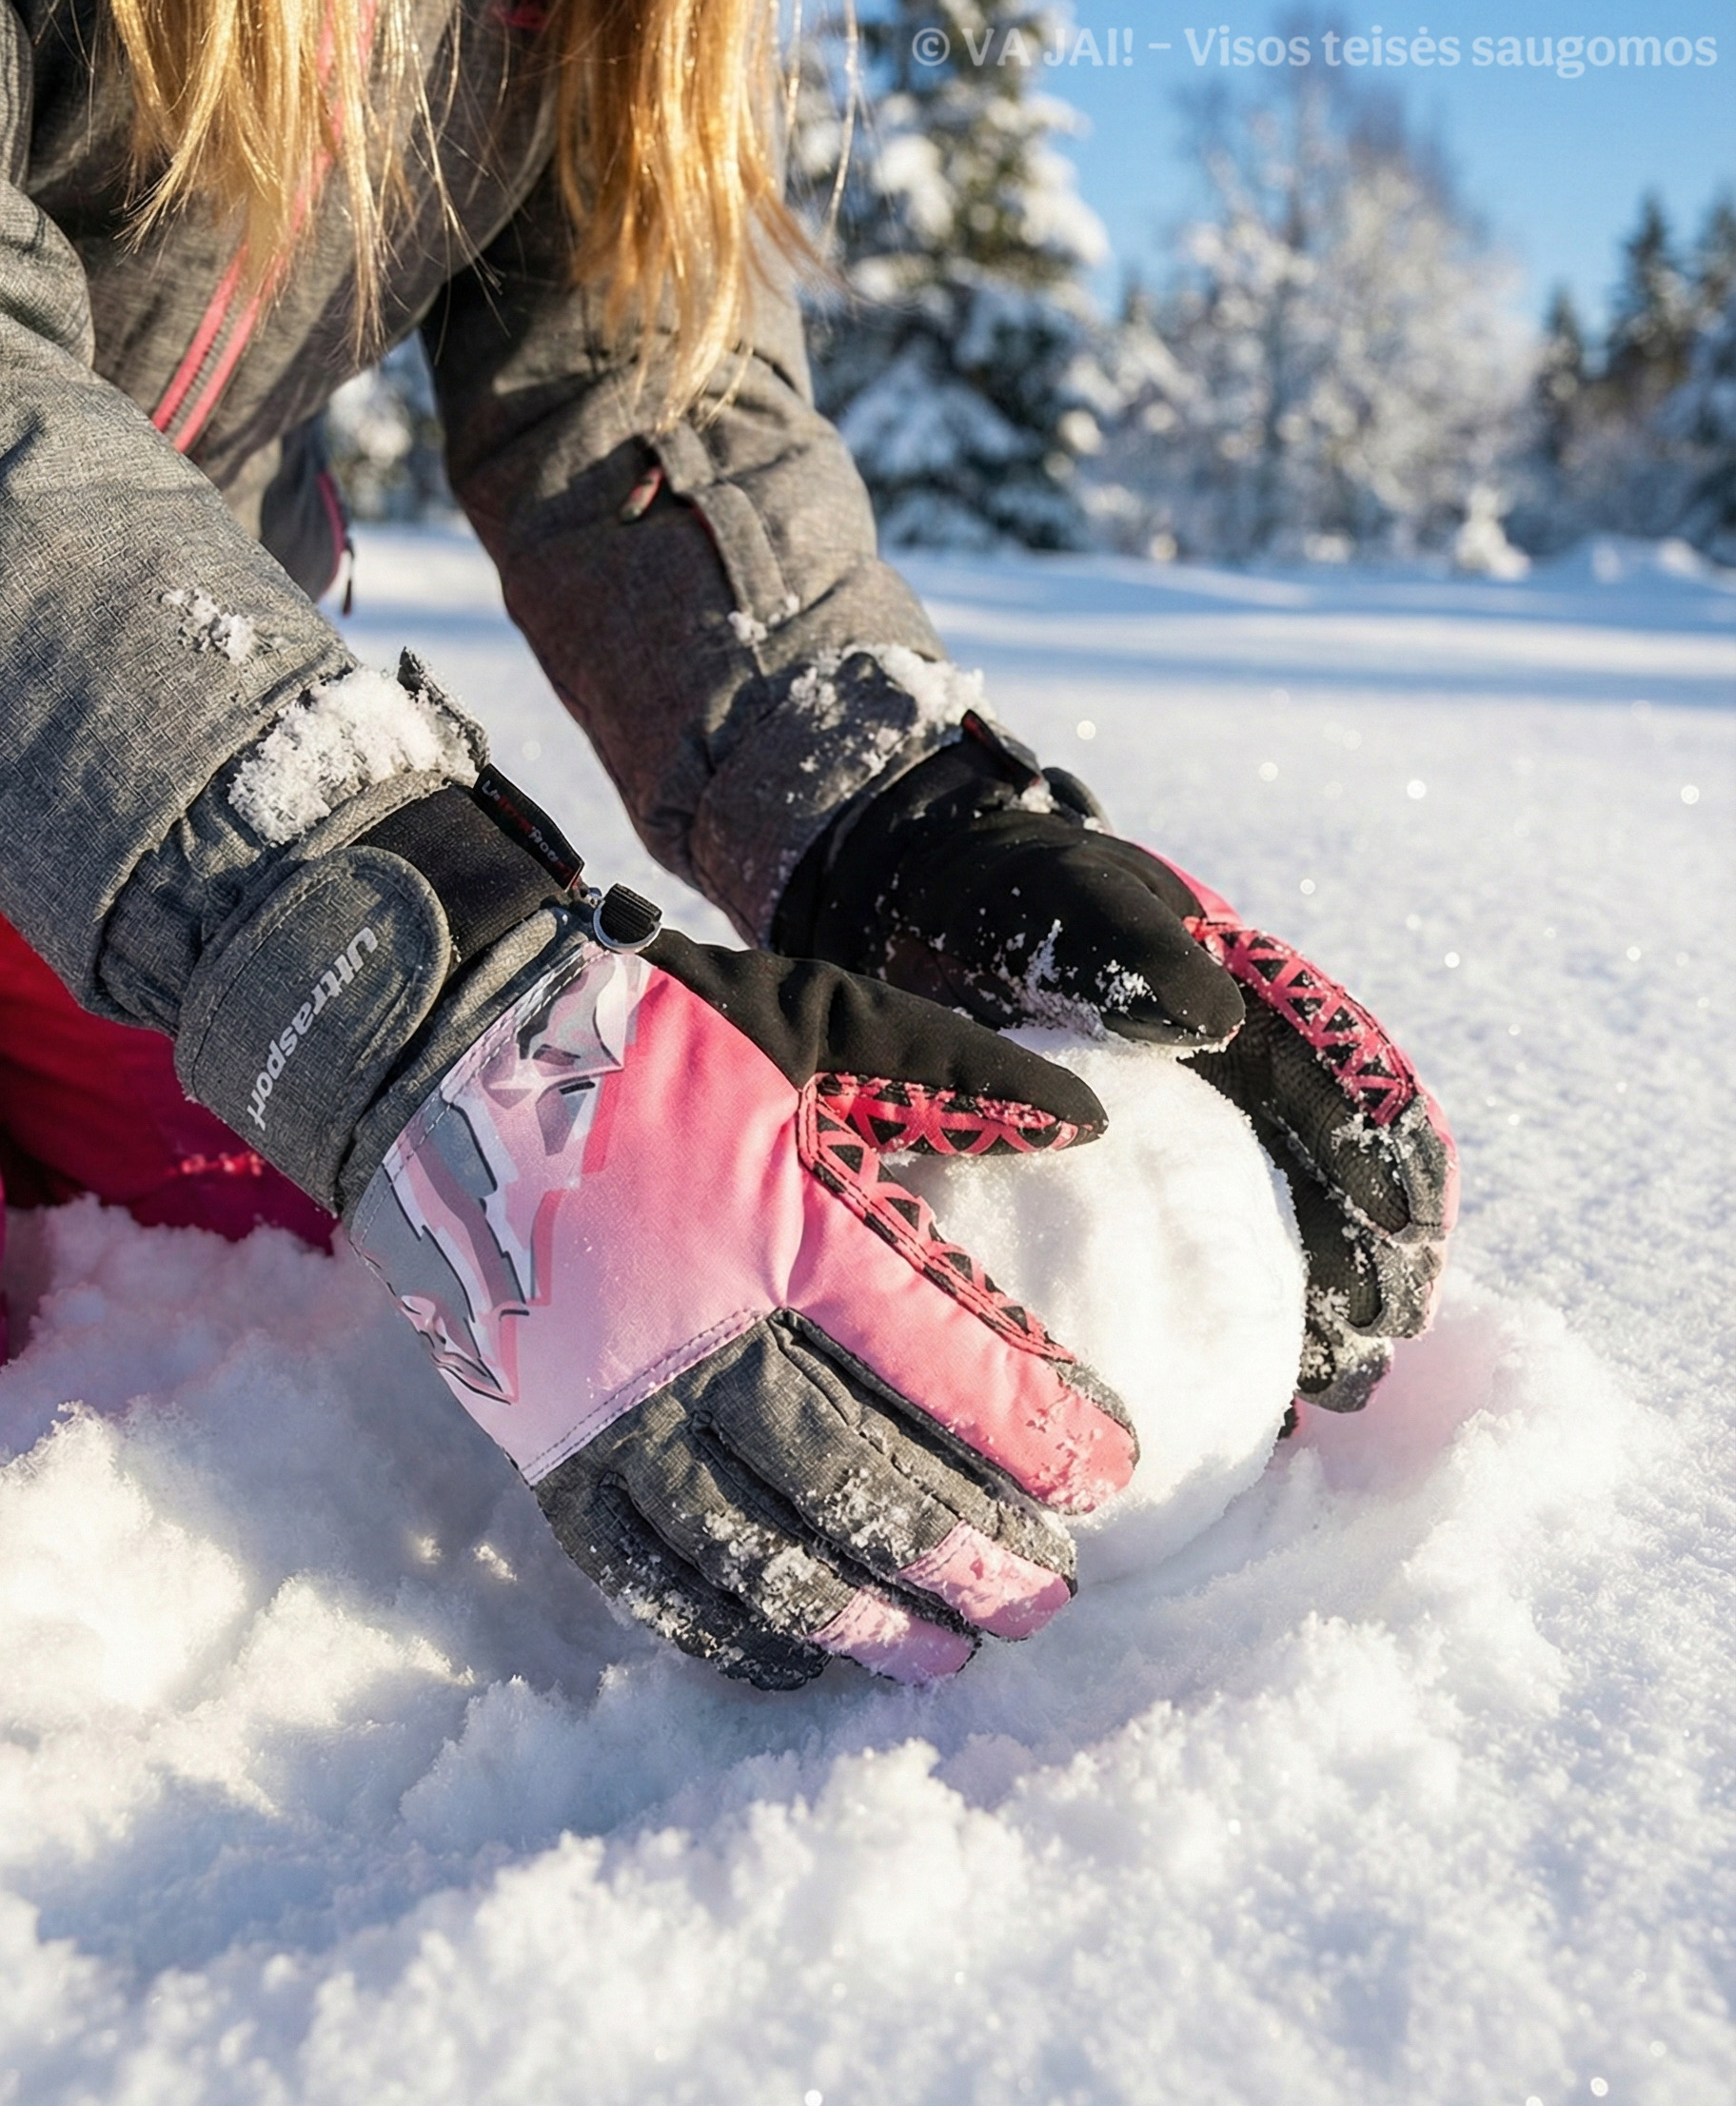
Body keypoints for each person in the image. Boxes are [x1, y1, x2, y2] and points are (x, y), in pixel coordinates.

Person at [0, 0, 1454, 1686]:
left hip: (157, 747)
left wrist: (898, 815)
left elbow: (637, 395)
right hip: (169, 752)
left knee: (219, 1323)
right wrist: (389, 959)